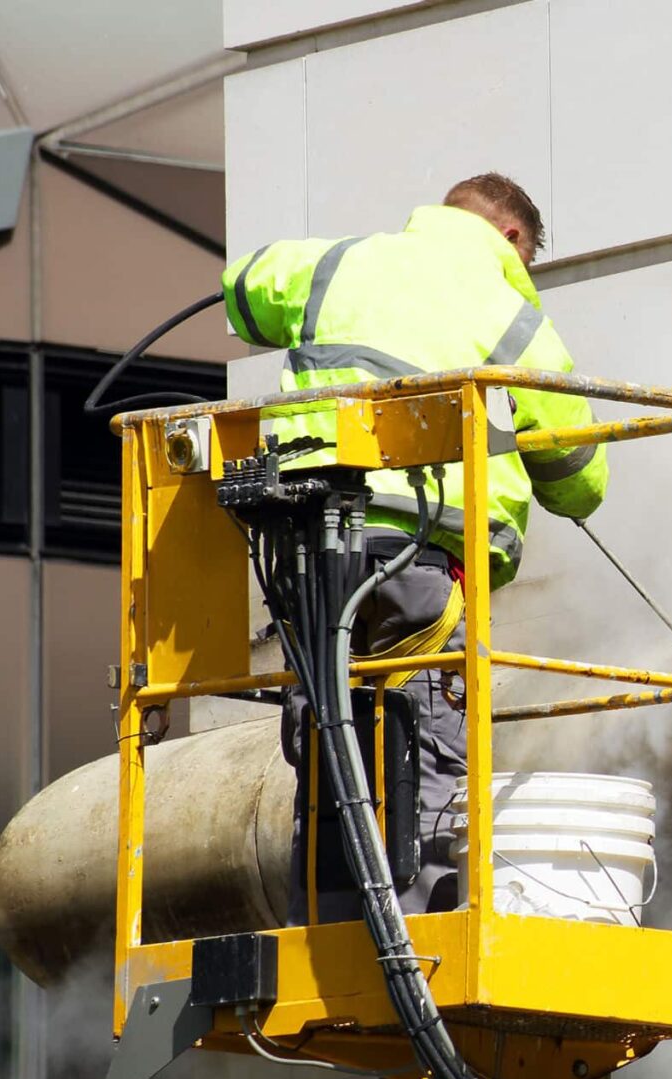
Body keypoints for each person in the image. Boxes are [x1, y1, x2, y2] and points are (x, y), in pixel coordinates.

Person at [219, 172, 608, 919]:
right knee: (424, 734)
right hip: (419, 559)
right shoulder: (511, 315)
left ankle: (329, 920)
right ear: (511, 240)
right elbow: (578, 476)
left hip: (306, 549)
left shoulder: (335, 265)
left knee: (329, 731)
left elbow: (242, 289)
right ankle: (418, 932)